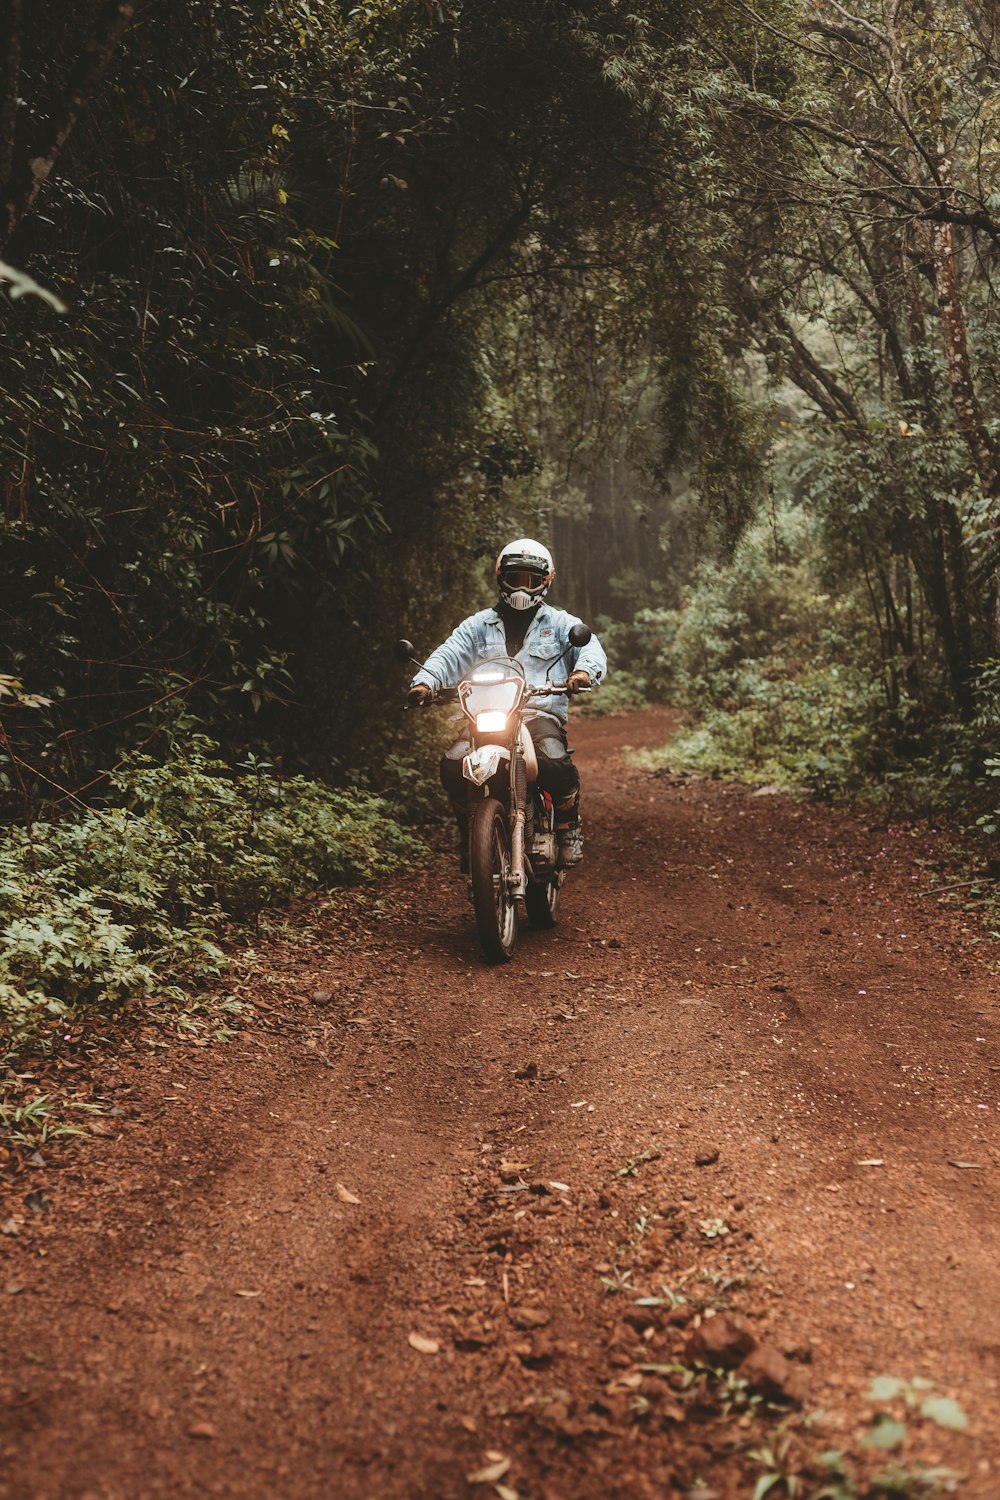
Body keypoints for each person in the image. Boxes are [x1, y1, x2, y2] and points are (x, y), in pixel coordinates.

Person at [407, 538, 608, 867]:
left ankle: (568, 827)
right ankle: (469, 830)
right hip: (485, 715)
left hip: (536, 714)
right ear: (501, 577)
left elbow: (590, 647)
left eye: (531, 580)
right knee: (452, 764)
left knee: (555, 762)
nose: (522, 588)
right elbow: (448, 653)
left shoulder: (558, 623)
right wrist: (425, 682)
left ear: (546, 581)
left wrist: (584, 672)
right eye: (515, 579)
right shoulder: (477, 625)